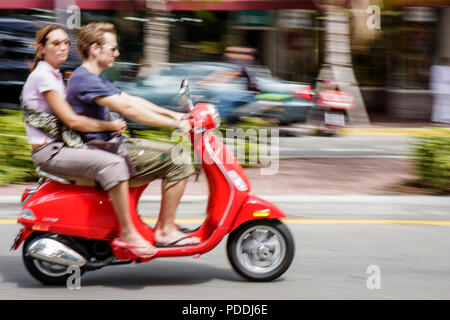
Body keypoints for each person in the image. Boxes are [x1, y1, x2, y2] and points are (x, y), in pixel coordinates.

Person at [21, 24, 156, 259]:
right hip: (50, 152)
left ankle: (112, 224)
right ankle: (127, 233)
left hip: (59, 148)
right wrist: (110, 126)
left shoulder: (54, 73)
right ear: (42, 49)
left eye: (65, 42)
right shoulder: (43, 76)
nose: (63, 47)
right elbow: (72, 120)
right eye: (55, 43)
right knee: (113, 164)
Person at [66, 22, 200, 247]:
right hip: (103, 149)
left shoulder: (92, 77)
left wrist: (176, 116)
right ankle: (165, 230)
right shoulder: (85, 79)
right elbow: (128, 110)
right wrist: (173, 125)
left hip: (111, 144)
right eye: (113, 48)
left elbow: (131, 100)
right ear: (95, 49)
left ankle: (164, 225)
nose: (117, 53)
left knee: (171, 153)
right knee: (179, 157)